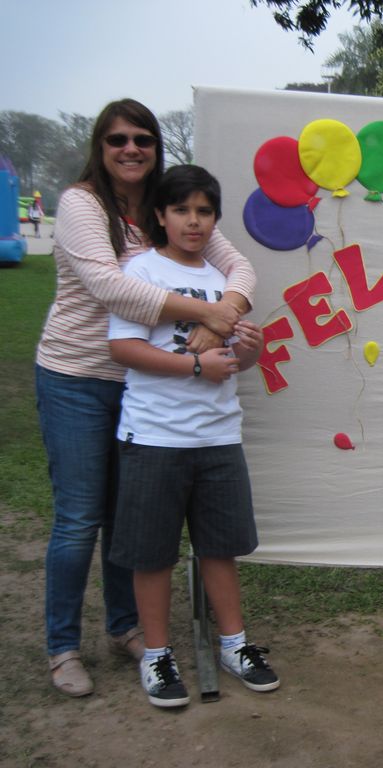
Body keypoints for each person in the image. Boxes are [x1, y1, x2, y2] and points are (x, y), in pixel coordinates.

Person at [36, 99, 256, 698]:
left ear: (156, 148)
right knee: (80, 517)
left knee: (125, 518)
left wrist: (229, 309)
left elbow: (239, 269)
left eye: (143, 139)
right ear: (100, 147)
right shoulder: (83, 204)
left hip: (147, 388)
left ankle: (126, 628)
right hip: (79, 376)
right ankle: (62, 648)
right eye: (118, 140)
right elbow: (111, 289)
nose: (131, 149)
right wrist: (207, 316)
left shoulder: (168, 203)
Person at [108, 164, 278, 708]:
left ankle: (235, 645)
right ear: (159, 215)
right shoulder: (140, 270)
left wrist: (247, 351)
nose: (193, 221)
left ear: (215, 220)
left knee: (220, 549)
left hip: (218, 437)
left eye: (204, 211)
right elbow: (123, 348)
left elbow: (235, 362)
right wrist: (195, 366)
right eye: (181, 210)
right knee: (152, 555)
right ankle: (157, 656)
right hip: (155, 437)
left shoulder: (225, 285)